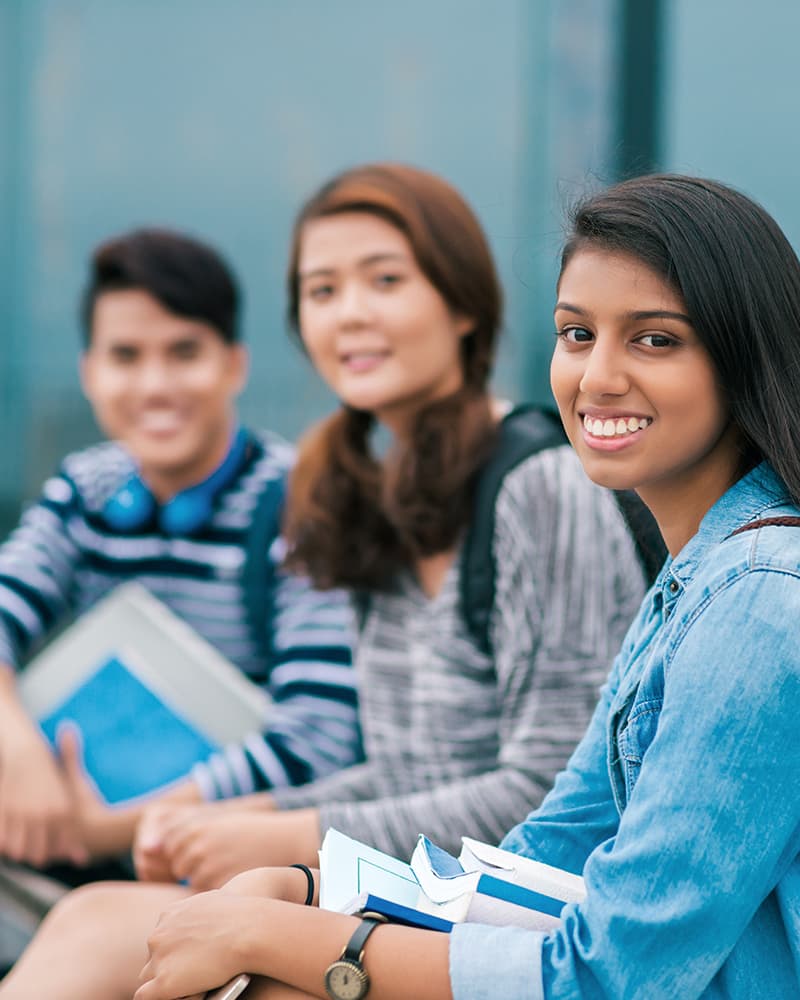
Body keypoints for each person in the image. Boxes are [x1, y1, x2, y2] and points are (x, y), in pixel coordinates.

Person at [92, 171, 800, 999]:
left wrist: (305, 930)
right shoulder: (695, 581)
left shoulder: (758, 603)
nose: (598, 377)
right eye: (576, 334)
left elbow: (609, 975)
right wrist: (314, 888)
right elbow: (545, 853)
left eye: (654, 340)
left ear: (744, 353)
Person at [0, 163, 648, 997]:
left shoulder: (540, 484)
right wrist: (243, 822)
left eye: (384, 279)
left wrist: (299, 834)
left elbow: (554, 788)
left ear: (460, 306)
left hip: (523, 924)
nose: (351, 313)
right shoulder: (367, 500)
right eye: (322, 289)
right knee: (97, 920)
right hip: (406, 890)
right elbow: (406, 767)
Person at [0, 228, 360, 874]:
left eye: (184, 352)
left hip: (226, 870)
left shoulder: (303, 504)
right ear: (89, 373)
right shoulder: (84, 491)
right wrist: (18, 753)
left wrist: (113, 829)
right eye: (126, 356)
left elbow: (318, 743)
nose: (155, 384)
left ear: (234, 365)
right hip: (55, 842)